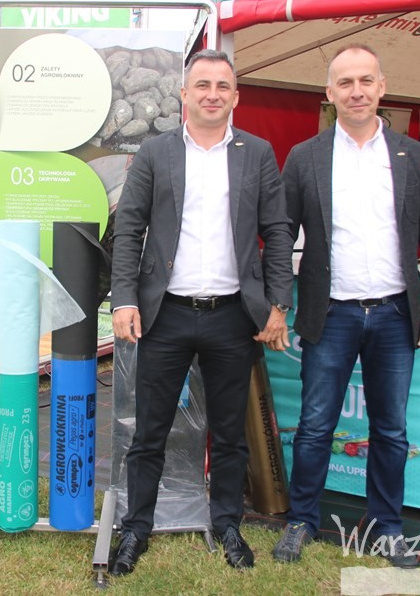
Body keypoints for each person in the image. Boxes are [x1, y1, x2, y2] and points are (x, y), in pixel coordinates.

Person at [108, 49, 294, 576]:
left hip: (233, 317)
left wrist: (278, 304)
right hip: (165, 315)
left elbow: (277, 230)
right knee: (149, 433)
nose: (213, 94)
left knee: (230, 434)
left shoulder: (258, 153)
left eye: (223, 86)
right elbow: (129, 228)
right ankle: (136, 528)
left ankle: (227, 524)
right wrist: (124, 299)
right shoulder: (155, 152)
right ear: (184, 94)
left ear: (236, 96)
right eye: (203, 85)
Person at [274, 44, 420, 568]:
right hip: (330, 315)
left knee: (391, 429)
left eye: (366, 81)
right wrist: (278, 303)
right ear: (329, 93)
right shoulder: (305, 156)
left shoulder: (411, 154)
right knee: (315, 425)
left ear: (382, 86)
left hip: (395, 315)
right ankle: (301, 521)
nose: (357, 91)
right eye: (346, 82)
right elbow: (280, 234)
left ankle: (387, 527)